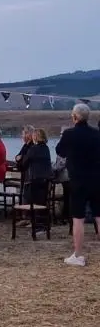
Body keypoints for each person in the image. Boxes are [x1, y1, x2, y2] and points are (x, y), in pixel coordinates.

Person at [55, 103, 100, 267]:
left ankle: (78, 255)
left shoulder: (69, 134)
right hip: (96, 179)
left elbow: (60, 151)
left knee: (78, 219)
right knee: (99, 215)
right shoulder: (97, 134)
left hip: (78, 180)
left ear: (74, 117)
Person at [15, 125, 35, 204]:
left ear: (28, 135)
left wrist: (21, 158)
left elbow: (24, 159)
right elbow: (17, 157)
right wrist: (19, 158)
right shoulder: (25, 145)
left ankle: (25, 212)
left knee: (26, 195)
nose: (22, 136)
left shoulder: (32, 146)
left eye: (23, 134)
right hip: (24, 173)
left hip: (29, 176)